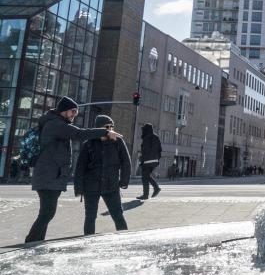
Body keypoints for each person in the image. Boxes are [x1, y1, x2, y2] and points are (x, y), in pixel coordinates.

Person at [24, 97, 121, 243]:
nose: (74, 115)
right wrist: (105, 132)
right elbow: (80, 134)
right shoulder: (56, 124)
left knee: (47, 212)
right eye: (72, 111)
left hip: (50, 175)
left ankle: (35, 241)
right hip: (48, 176)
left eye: (76, 112)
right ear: (63, 110)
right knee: (47, 212)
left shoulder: (56, 123)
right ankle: (30, 241)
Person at [74, 115, 131, 235]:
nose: (110, 130)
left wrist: (124, 181)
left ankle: (125, 240)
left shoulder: (118, 142)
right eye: (107, 127)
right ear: (98, 128)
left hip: (112, 186)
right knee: (90, 217)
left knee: (118, 215)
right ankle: (88, 241)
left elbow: (126, 162)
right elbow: (80, 167)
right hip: (91, 187)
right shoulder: (88, 144)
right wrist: (79, 188)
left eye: (111, 127)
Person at [138, 123, 162, 200]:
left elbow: (144, 150)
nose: (142, 131)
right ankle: (154, 189)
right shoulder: (156, 137)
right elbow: (160, 149)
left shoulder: (146, 138)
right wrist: (157, 159)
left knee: (144, 178)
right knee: (147, 176)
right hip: (154, 161)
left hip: (147, 161)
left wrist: (142, 160)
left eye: (143, 129)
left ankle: (153, 190)